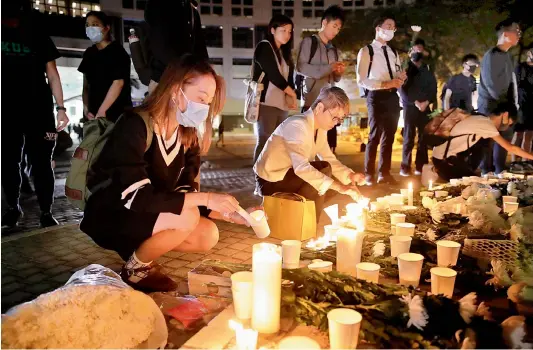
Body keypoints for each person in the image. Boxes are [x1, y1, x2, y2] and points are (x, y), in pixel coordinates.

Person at [80, 56, 253, 292]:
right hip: (114, 213)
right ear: (175, 89)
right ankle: (135, 270)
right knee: (187, 217)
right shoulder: (135, 125)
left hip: (148, 213)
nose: (203, 108)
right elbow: (136, 196)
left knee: (207, 234)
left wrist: (231, 213)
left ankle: (143, 250)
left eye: (208, 102)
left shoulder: (187, 136)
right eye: (200, 98)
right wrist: (207, 198)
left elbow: (184, 193)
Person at [1, 2, 70, 229]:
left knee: (41, 164)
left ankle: (46, 212)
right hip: (6, 111)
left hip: (39, 112)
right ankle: (13, 208)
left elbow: (52, 73)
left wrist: (61, 108)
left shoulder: (36, 33)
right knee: (9, 163)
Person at [254, 87, 364, 222]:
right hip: (271, 180)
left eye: (340, 119)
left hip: (288, 175)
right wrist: (341, 187)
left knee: (327, 176)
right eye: (335, 117)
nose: (336, 123)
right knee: (324, 173)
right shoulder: (297, 125)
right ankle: (306, 222)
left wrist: (349, 176)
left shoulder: (320, 129)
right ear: (319, 108)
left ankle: (301, 217)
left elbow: (329, 158)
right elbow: (302, 168)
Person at [356, 15, 407, 185]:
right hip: (376, 96)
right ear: (378, 28)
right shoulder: (366, 51)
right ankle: (368, 173)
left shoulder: (393, 52)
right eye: (388, 25)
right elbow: (362, 79)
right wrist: (385, 83)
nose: (392, 29)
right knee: (375, 135)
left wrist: (400, 78)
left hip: (392, 96)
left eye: (393, 27)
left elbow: (396, 75)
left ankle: (384, 173)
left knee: (389, 136)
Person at [431, 103, 533, 181]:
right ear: (505, 115)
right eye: (509, 123)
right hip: (444, 161)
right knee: (473, 184)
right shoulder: (486, 125)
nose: (507, 127)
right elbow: (511, 148)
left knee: (473, 182)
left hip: (443, 158)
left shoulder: (481, 119)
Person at [296, 5, 346, 152]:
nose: (336, 31)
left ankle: (326, 170)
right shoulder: (309, 43)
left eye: (338, 28)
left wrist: (338, 72)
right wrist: (328, 68)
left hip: (330, 103)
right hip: (312, 100)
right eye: (334, 26)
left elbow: (335, 79)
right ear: (324, 23)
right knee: (308, 142)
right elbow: (301, 68)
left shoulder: (333, 49)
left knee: (328, 147)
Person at [478, 19, 521, 176]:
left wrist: (512, 108)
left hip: (506, 107)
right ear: (505, 34)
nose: (519, 34)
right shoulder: (492, 55)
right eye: (516, 30)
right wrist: (505, 109)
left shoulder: (508, 56)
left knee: (504, 143)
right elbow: (493, 86)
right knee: (489, 142)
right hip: (492, 108)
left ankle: (500, 173)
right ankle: (486, 174)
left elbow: (510, 83)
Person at [252, 14, 297, 163]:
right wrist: (291, 93)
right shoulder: (264, 47)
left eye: (290, 31)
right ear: (272, 30)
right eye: (283, 30)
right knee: (265, 141)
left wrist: (291, 95)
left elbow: (289, 78)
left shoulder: (284, 53)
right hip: (266, 103)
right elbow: (273, 75)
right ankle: (259, 177)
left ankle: (273, 178)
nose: (287, 34)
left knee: (278, 143)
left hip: (281, 105)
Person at [78, 11, 132, 123]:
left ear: (107, 28)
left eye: (95, 24)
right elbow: (86, 85)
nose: (90, 28)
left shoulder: (117, 51)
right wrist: (86, 108)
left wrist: (102, 111)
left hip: (116, 115)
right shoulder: (89, 53)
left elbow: (118, 83)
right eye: (87, 25)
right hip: (93, 116)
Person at [144, 0, 208, 94]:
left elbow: (200, 46)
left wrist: (205, 71)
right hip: (165, 79)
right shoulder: (160, 4)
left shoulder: (191, 10)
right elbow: (161, 46)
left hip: (186, 79)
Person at [399, 39, 437, 177]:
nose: (417, 52)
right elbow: (401, 88)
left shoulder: (427, 69)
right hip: (410, 107)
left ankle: (421, 166)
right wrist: (415, 102)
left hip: (424, 108)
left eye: (420, 50)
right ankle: (405, 166)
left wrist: (427, 102)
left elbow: (433, 87)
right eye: (415, 50)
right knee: (408, 137)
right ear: (410, 52)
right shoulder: (405, 69)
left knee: (423, 138)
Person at [511, 48, 533, 161]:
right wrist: (515, 104)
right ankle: (514, 162)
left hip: (532, 106)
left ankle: (526, 161)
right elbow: (515, 86)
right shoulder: (520, 68)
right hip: (521, 105)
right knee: (518, 134)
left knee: (529, 135)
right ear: (529, 53)